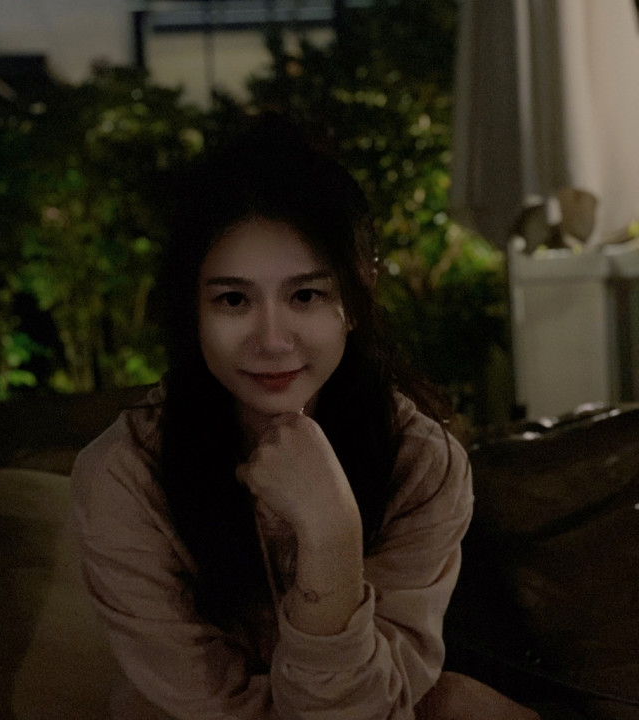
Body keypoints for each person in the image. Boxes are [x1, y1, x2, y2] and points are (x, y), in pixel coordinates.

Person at [71, 114, 535, 719]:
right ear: (193, 307)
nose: (271, 339)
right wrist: (331, 536)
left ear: (357, 295)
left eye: (305, 295)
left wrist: (330, 531)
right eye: (233, 299)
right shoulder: (124, 475)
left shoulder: (422, 462)